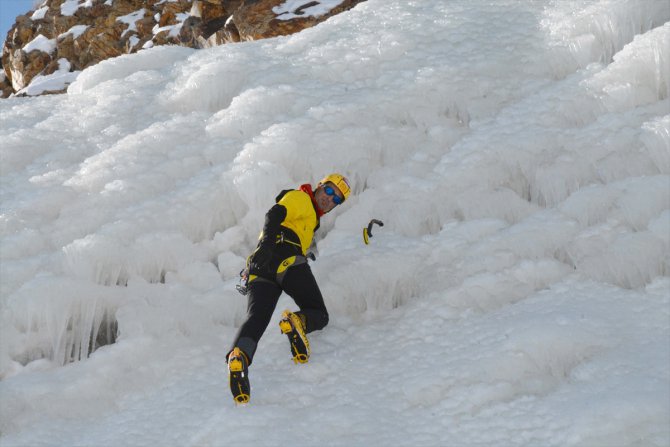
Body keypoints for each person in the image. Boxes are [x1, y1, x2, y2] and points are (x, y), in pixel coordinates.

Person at [227, 173, 351, 404]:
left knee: (256, 318)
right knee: (318, 313)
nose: (330, 199)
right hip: (283, 257)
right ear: (319, 186)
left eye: (337, 199)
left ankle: (239, 356)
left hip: (260, 266)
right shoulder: (301, 198)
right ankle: (297, 322)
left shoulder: (311, 218)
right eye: (329, 190)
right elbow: (274, 214)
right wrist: (268, 245)